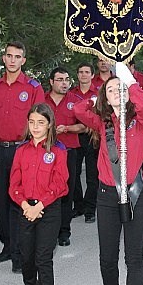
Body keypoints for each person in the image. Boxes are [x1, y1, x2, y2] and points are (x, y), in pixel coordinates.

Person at [73, 62, 143, 285]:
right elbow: (78, 110)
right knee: (107, 257)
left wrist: (128, 82)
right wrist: (93, 102)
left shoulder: (142, 122)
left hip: (137, 196)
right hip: (107, 195)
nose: (116, 92)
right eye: (110, 90)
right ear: (105, 98)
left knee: (134, 257)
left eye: (121, 89)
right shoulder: (102, 123)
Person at [0, 41, 45, 273]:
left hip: (22, 150)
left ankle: (20, 253)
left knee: (20, 201)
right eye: (9, 56)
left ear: (23, 60)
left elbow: (41, 123)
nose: (13, 60)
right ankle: (7, 246)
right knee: (0, 201)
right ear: (4, 58)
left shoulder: (34, 88)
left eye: (18, 56)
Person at [9, 103, 69, 285]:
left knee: (43, 258)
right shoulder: (21, 151)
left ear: (49, 125)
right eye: (32, 122)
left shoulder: (58, 151)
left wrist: (40, 206)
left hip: (48, 210)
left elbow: (60, 184)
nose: (35, 127)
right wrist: (26, 206)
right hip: (26, 210)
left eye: (41, 123)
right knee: (26, 256)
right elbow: (13, 185)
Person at [44, 67, 86, 245]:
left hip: (68, 152)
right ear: (51, 82)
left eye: (67, 80)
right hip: (45, 153)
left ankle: (64, 232)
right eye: (60, 79)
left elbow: (83, 126)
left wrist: (67, 128)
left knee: (66, 192)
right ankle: (47, 230)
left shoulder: (76, 101)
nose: (64, 83)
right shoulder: (41, 100)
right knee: (46, 191)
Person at [70, 62, 100, 222]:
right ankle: (79, 205)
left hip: (93, 136)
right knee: (74, 173)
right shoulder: (71, 93)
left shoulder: (98, 93)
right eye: (80, 72)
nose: (83, 75)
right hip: (75, 136)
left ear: (92, 75)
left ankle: (90, 208)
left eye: (86, 72)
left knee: (92, 175)